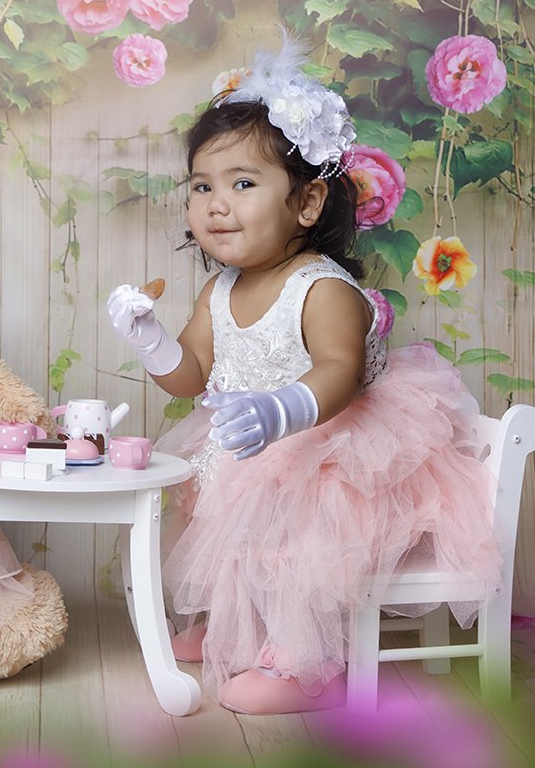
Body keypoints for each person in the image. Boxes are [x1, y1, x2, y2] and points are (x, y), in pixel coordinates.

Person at [107, 38, 501, 714]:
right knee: (216, 515)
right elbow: (191, 375)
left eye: (242, 183)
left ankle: (305, 664)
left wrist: (277, 412)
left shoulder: (323, 289)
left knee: (295, 534)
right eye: (201, 186)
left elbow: (339, 374)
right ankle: (241, 621)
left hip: (329, 452)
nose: (215, 204)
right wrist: (150, 342)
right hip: (247, 447)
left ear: (308, 202)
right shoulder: (220, 291)